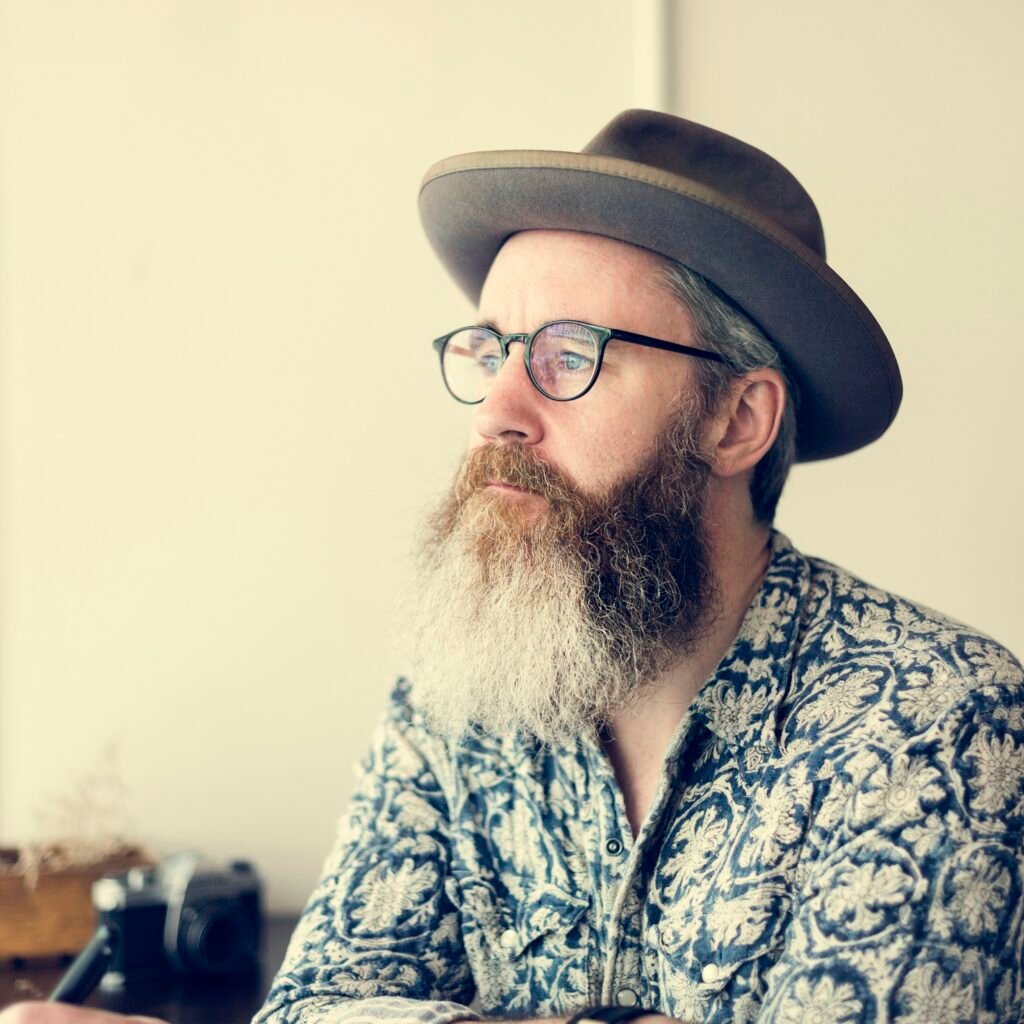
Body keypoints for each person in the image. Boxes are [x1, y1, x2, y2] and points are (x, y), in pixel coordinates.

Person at [6, 110, 1022, 1024]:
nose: (497, 409)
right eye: (491, 350)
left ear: (736, 419)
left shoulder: (938, 720)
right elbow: (315, 1004)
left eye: (569, 355)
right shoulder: (459, 689)